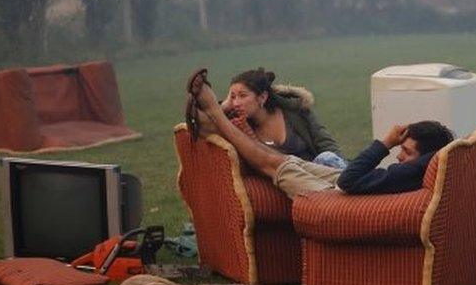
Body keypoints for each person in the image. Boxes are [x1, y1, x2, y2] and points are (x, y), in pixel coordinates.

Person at [188, 69, 454, 199]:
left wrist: (385, 143)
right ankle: (213, 118)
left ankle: (213, 113)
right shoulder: (423, 169)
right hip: (349, 183)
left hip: (340, 198)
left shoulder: (409, 173)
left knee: (272, 164)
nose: (398, 157)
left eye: (406, 153)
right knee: (289, 162)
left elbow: (349, 179)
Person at [221, 67, 346, 169]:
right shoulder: (241, 126)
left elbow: (326, 143)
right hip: (292, 178)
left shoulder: (295, 111)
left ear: (263, 97)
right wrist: (225, 105)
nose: (236, 103)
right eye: (233, 97)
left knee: (327, 157)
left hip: (320, 170)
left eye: (242, 96)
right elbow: (210, 117)